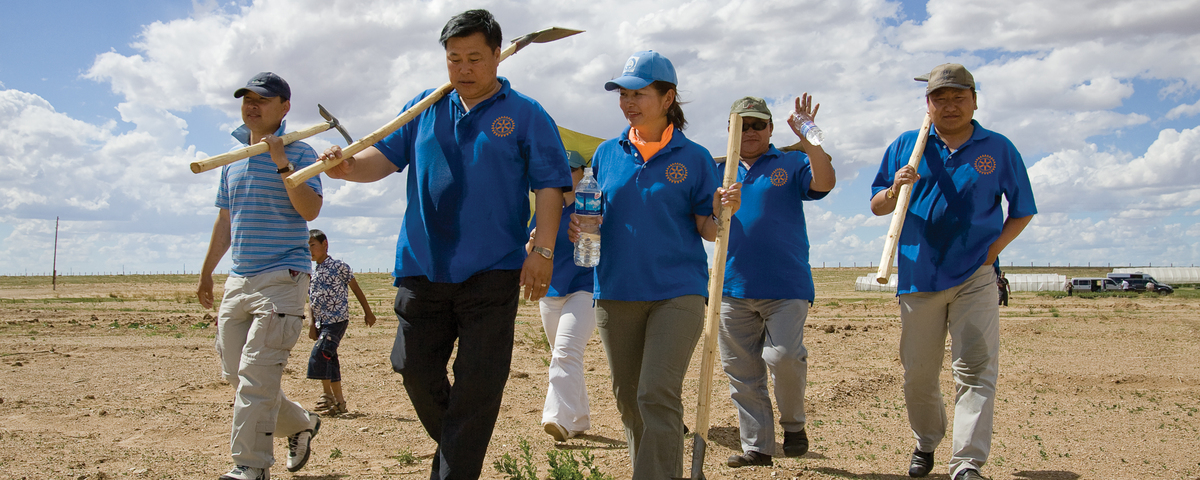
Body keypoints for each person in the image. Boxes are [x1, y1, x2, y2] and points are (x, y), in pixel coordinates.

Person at [317, 10, 572, 478]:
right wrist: (347, 167)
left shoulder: (526, 114)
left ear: (498, 55)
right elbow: (382, 158)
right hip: (423, 265)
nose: (464, 69)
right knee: (412, 368)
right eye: (454, 59)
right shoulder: (425, 106)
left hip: (492, 270)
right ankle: (461, 445)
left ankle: (455, 465)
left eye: (475, 58)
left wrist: (543, 251)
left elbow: (551, 187)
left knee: (478, 384)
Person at [570, 50, 741, 479]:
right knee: (629, 398)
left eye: (639, 93)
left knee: (656, 394)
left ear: (668, 98)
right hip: (615, 290)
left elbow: (708, 228)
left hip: (676, 292)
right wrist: (582, 227)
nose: (628, 102)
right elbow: (596, 217)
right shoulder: (606, 154)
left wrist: (724, 210)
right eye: (623, 93)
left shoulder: (696, 156)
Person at [869, 63, 1037, 480]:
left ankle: (966, 463)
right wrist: (894, 187)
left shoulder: (997, 148)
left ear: (975, 100)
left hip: (974, 276)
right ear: (927, 104)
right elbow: (876, 204)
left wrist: (992, 251)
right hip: (917, 274)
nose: (949, 106)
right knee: (919, 374)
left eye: (958, 97)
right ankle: (926, 441)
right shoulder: (907, 146)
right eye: (940, 98)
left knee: (976, 369)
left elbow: (1022, 211)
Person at [196, 72, 324, 480]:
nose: (252, 105)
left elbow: (310, 211)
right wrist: (207, 274)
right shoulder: (230, 162)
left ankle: (250, 466)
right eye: (247, 99)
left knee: (256, 376)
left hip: (282, 278)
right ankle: (300, 422)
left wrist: (281, 163)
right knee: (238, 376)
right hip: (239, 279)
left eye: (262, 100)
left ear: (284, 108)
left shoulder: (301, 153)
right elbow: (225, 221)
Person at [717, 95, 835, 467]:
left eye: (757, 124)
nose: (750, 131)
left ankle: (794, 424)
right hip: (732, 285)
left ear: (770, 129)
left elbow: (825, 182)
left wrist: (809, 137)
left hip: (786, 285)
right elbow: (700, 219)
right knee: (742, 372)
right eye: (742, 125)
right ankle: (758, 446)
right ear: (732, 130)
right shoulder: (718, 169)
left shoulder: (792, 160)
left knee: (782, 357)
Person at [528, 150, 596, 442]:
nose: (564, 175)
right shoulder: (546, 207)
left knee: (565, 352)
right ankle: (579, 418)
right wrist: (530, 245)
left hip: (586, 287)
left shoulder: (592, 205)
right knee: (565, 357)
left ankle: (557, 418)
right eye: (560, 168)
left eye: (571, 169)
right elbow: (530, 250)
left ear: (584, 172)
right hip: (551, 291)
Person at [305, 229, 376, 416]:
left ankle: (327, 395)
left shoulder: (339, 267)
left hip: (337, 320)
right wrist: (311, 324)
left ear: (324, 244)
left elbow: (356, 289)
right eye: (307, 246)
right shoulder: (313, 272)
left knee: (320, 354)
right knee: (330, 360)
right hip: (321, 323)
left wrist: (368, 312)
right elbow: (311, 301)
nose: (309, 249)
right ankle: (339, 404)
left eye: (312, 245)